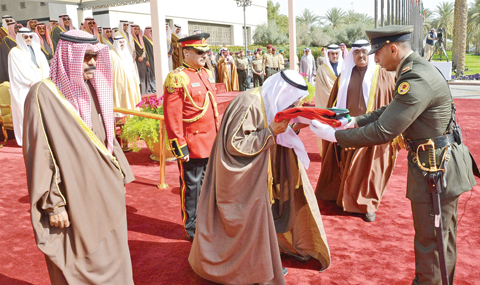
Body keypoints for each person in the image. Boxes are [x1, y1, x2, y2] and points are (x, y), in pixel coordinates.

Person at [310, 25, 479, 285]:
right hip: (434, 166)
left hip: (436, 171)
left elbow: (383, 130)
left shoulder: (415, 78)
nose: (375, 58)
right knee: (437, 241)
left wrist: (334, 137)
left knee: (432, 243)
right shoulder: (414, 70)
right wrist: (354, 121)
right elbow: (389, 110)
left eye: (378, 52)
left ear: (392, 48)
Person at [188, 70, 331, 284]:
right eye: (292, 100)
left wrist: (292, 127)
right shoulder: (249, 102)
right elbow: (234, 144)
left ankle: (263, 263)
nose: (292, 105)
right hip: (240, 178)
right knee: (247, 225)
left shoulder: (266, 101)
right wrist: (271, 132)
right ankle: (244, 271)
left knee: (262, 221)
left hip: (259, 171)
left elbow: (267, 128)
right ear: (283, 92)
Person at [23, 29, 135, 284]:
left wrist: (119, 176)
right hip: (73, 199)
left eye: (95, 55)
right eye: (85, 57)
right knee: (80, 264)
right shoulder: (43, 95)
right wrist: (54, 204)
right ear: (68, 58)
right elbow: (39, 154)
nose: (93, 62)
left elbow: (107, 138)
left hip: (107, 196)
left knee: (115, 259)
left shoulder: (93, 89)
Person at [315, 39, 396, 222]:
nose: (361, 56)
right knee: (345, 163)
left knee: (369, 168)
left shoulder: (382, 75)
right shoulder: (343, 76)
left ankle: (367, 205)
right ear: (352, 54)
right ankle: (343, 198)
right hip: (347, 129)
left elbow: (390, 103)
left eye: (364, 52)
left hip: (372, 130)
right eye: (357, 52)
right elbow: (332, 104)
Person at [163, 33, 219, 240]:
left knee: (208, 184)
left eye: (206, 51)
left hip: (210, 141)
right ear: (186, 52)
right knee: (192, 187)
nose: (205, 55)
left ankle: (207, 220)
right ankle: (192, 227)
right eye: (200, 52)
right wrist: (180, 145)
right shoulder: (178, 78)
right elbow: (172, 116)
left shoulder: (205, 74)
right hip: (193, 143)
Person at [8, 28, 49, 146]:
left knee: (41, 112)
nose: (29, 39)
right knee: (25, 113)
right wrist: (31, 82)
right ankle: (27, 140)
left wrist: (44, 81)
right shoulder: (14, 52)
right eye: (25, 37)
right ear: (20, 37)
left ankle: (41, 137)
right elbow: (18, 72)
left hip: (40, 87)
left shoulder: (38, 51)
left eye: (30, 37)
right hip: (24, 89)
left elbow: (45, 67)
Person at [111, 35, 142, 115]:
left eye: (123, 42)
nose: (122, 44)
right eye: (120, 42)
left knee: (131, 100)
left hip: (131, 83)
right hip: (120, 84)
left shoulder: (127, 53)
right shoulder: (111, 54)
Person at [131, 25, 148, 94]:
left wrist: (143, 56)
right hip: (137, 60)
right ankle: (140, 93)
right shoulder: (131, 38)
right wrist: (139, 57)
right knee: (139, 76)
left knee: (144, 75)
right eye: (135, 29)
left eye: (138, 29)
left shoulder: (141, 38)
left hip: (142, 60)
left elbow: (144, 49)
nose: (137, 31)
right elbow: (133, 49)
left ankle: (144, 92)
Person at [143, 26, 156, 93]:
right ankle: (151, 88)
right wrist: (147, 60)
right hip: (149, 59)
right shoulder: (144, 39)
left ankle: (154, 87)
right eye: (150, 31)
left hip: (153, 58)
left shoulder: (152, 38)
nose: (151, 32)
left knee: (153, 73)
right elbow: (145, 50)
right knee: (150, 73)